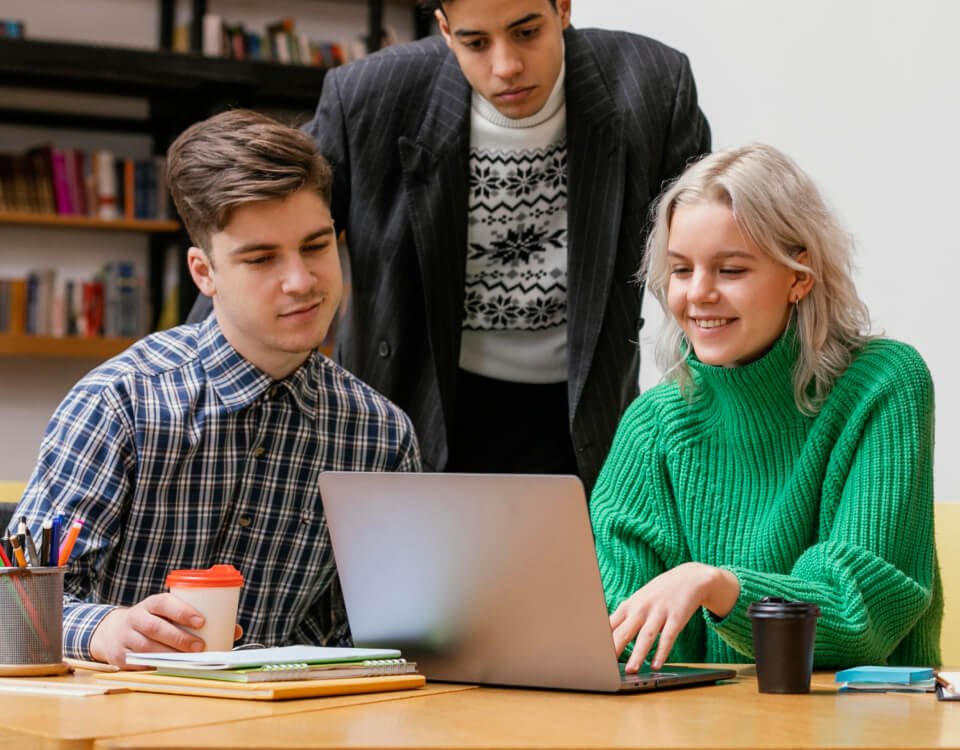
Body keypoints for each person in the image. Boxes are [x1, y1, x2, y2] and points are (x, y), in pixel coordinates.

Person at [188, 0, 710, 493]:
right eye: (476, 42)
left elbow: (702, 255)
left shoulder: (652, 86)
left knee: (570, 586)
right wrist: (189, 386)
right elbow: (261, 230)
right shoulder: (370, 95)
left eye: (527, 31)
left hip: (583, 410)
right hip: (411, 400)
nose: (506, 65)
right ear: (443, 29)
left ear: (563, 8)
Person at [11, 109, 421, 668]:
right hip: (117, 718)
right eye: (260, 258)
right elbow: (12, 602)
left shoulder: (381, 435)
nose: (301, 281)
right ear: (204, 273)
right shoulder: (121, 402)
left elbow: (380, 638)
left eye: (317, 246)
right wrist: (105, 628)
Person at [590, 144, 942, 671]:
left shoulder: (883, 385)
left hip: (863, 725)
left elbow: (859, 613)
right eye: (682, 270)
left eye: (730, 270)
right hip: (700, 729)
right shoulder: (653, 424)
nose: (698, 294)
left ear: (799, 277)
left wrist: (718, 586)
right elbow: (614, 630)